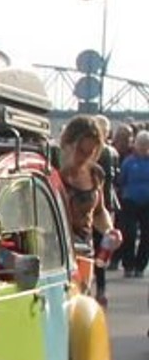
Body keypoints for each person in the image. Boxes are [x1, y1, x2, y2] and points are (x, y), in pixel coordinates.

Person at [58, 113, 113, 302]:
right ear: (67, 144)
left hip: (84, 252)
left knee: (80, 306)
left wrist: (110, 231)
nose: (85, 157)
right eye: (81, 151)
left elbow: (99, 211)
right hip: (57, 255)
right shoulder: (51, 170)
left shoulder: (96, 174)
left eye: (92, 152)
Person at [118, 130, 149, 278]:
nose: (143, 147)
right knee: (129, 234)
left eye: (146, 145)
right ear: (136, 145)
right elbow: (122, 180)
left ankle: (140, 266)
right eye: (141, 144)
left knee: (146, 235)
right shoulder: (129, 161)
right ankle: (128, 265)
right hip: (130, 200)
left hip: (147, 202)